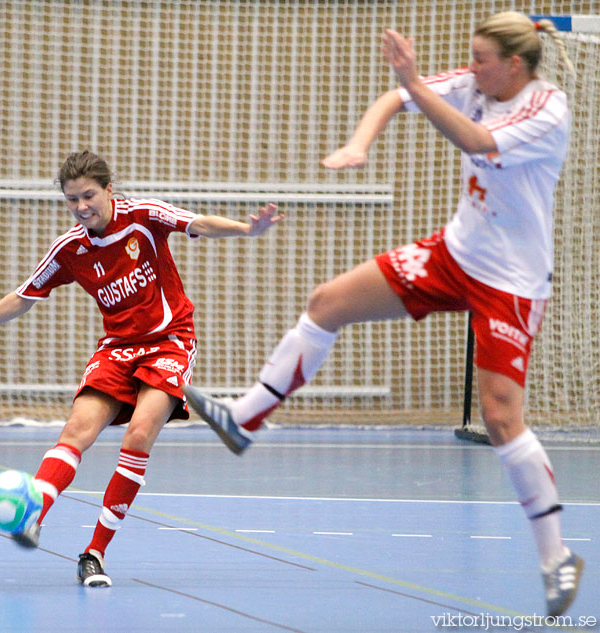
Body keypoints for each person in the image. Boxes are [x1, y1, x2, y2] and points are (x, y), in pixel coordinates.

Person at [182, 12, 582, 616]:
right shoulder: (477, 86)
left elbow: (476, 141)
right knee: (327, 303)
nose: (471, 68)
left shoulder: (546, 110)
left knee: (502, 418)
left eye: (480, 59)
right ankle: (245, 419)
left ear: (516, 66)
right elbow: (396, 97)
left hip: (512, 282)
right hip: (454, 254)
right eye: (469, 58)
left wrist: (416, 82)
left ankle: (556, 559)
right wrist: (358, 144)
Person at [0, 149, 283, 587]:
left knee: (137, 435)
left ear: (108, 190)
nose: (81, 207)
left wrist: (247, 229)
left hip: (169, 341)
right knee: (75, 432)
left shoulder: (143, 217)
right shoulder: (71, 248)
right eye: (72, 199)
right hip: (117, 347)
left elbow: (198, 224)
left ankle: (94, 553)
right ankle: (32, 515)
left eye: (88, 196)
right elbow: (24, 295)